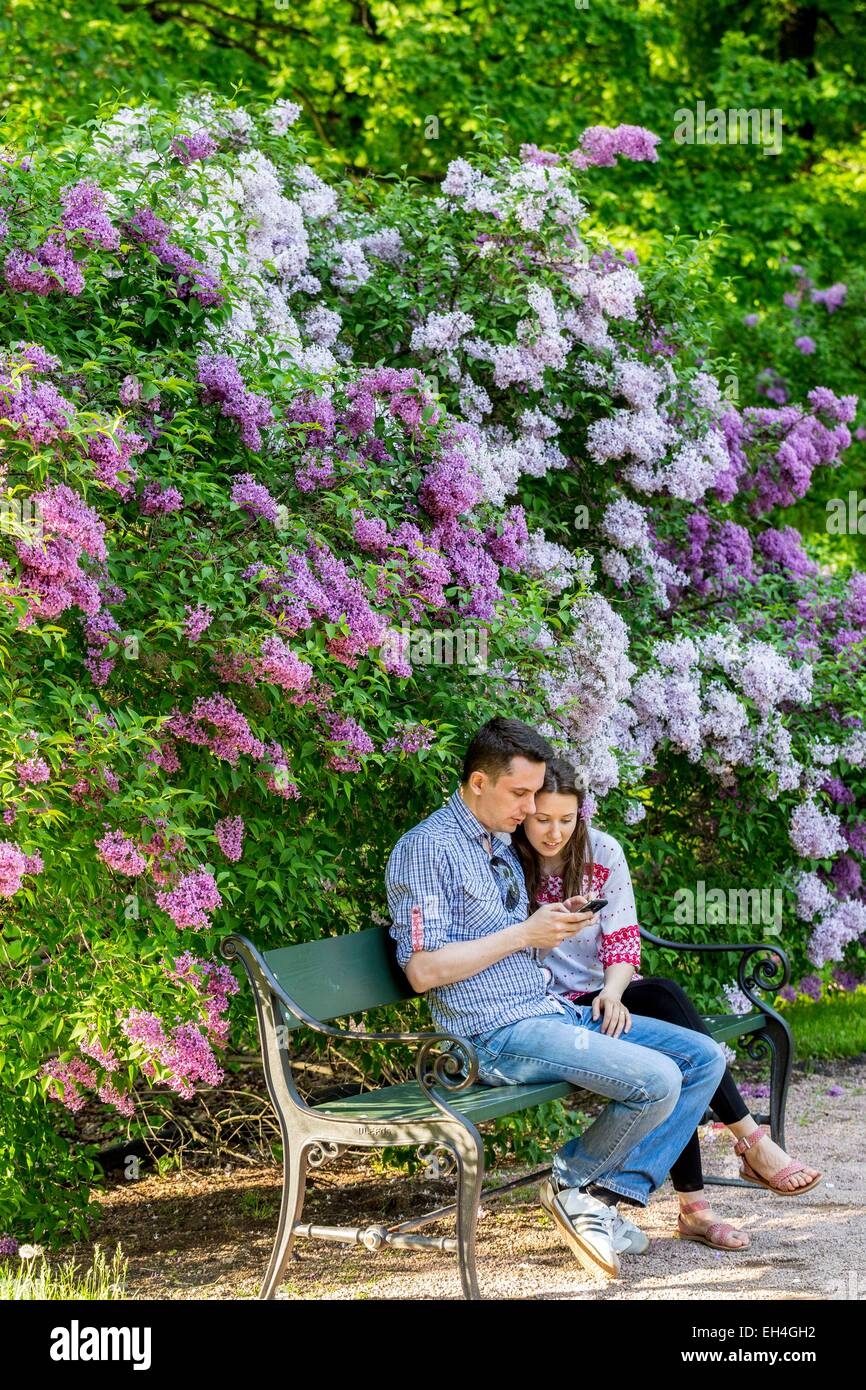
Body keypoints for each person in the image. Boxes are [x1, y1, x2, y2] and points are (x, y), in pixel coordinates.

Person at [385, 716, 729, 1279]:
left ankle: (596, 1194)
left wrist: (550, 925)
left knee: (702, 1059)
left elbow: (505, 939)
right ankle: (574, 1183)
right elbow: (423, 970)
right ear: (478, 782)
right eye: (520, 793)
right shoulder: (430, 849)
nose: (528, 808)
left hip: (547, 1011)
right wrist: (524, 933)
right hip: (489, 1035)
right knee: (658, 1079)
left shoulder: (495, 841)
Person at [511, 755, 823, 1251]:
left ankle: (724, 1172)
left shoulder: (601, 853)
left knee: (662, 997)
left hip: (597, 995)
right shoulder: (506, 859)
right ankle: (721, 1177)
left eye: (566, 819)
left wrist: (613, 994)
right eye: (542, 819)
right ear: (523, 811)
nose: (554, 833)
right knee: (677, 1046)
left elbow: (622, 939)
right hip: (543, 1007)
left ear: (581, 815)